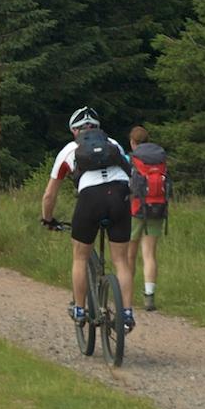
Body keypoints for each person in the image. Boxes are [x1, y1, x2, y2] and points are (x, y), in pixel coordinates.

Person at [40, 107, 136, 331]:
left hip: (90, 199)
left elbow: (49, 195)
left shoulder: (69, 150)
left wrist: (48, 219)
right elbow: (131, 175)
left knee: (80, 257)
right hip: (119, 195)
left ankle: (80, 309)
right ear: (98, 127)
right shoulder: (114, 144)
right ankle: (127, 313)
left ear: (74, 130)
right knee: (121, 260)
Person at [126, 126, 170, 312]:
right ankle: (149, 296)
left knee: (129, 253)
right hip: (157, 209)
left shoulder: (132, 160)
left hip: (135, 209)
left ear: (132, 142)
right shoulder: (159, 159)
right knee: (149, 254)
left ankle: (126, 293)